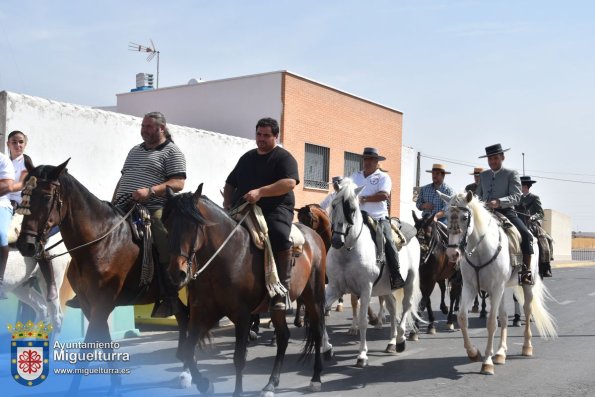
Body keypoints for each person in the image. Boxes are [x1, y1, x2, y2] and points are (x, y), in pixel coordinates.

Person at [67, 112, 187, 317]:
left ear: (162, 128)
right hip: (123, 206)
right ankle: (84, 289)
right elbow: (123, 179)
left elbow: (178, 183)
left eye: (149, 127)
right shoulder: (135, 151)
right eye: (143, 126)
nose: (145, 130)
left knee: (160, 233)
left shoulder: (172, 152)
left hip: (154, 207)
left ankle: (169, 294)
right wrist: (112, 204)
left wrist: (149, 191)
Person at [223, 117, 299, 311]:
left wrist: (260, 192)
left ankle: (282, 288)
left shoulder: (283, 157)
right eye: (259, 134)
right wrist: (227, 202)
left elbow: (289, 183)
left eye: (266, 135)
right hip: (244, 208)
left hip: (275, 209)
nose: (261, 139)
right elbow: (230, 182)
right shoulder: (247, 158)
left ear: (276, 136)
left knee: (279, 235)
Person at [7, 130, 59, 301]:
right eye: (14, 142)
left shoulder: (28, 166)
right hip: (3, 205)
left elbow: (22, 186)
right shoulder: (4, 162)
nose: (17, 145)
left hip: (21, 208)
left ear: (25, 144)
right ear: (8, 144)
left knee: (33, 237)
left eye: (21, 142)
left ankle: (50, 282)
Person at [475, 144, 534, 285]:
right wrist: (481, 203)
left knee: (526, 235)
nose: (492, 161)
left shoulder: (511, 174)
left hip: (506, 212)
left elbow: (516, 197)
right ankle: (460, 269)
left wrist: (499, 202)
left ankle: (526, 271)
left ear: (502, 157)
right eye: (490, 159)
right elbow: (478, 195)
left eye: (495, 158)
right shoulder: (483, 175)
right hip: (485, 213)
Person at [351, 147, 404, 290]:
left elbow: (384, 195)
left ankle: (395, 274)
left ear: (376, 162)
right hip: (357, 218)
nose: (367, 162)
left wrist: (364, 198)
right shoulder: (355, 176)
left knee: (388, 242)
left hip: (378, 218)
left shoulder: (383, 177)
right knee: (338, 234)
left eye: (371, 159)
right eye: (365, 159)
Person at [516, 176, 553, 278]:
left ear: (526, 186)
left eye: (520, 185)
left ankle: (545, 266)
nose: (518, 187)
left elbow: (540, 213)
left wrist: (533, 217)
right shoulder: (516, 198)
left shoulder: (534, 198)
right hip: (518, 222)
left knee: (545, 240)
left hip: (530, 223)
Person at [0, 151, 15, 299]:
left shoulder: (3, 160)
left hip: (1, 205)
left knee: (0, 234)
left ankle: (0, 279)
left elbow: (7, 186)